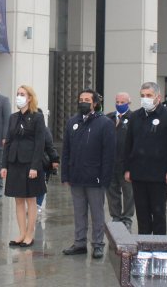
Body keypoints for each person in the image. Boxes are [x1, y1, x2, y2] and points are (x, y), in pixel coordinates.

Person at [61, 89, 115, 259]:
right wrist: (65, 175)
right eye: (81, 99)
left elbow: (109, 153)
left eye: (87, 99)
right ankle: (79, 243)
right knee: (79, 212)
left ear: (95, 103)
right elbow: (66, 150)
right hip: (76, 176)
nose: (83, 102)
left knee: (97, 213)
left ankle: (98, 244)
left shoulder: (105, 123)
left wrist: (105, 178)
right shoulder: (72, 122)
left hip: (95, 178)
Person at [124, 82, 167, 235]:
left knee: (158, 213)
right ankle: (143, 244)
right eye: (142, 96)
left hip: (159, 174)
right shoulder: (136, 116)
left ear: (158, 97)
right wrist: (128, 168)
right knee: (142, 214)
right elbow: (129, 144)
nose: (145, 99)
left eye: (149, 95)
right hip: (138, 173)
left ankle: (158, 246)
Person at [1, 85, 46, 247]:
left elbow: (40, 143)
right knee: (18, 200)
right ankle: (21, 233)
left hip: (30, 164)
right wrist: (4, 165)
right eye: (17, 94)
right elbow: (8, 142)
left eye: (22, 94)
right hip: (14, 163)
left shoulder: (37, 117)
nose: (19, 97)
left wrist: (35, 166)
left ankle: (29, 234)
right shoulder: (13, 117)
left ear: (29, 98)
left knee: (30, 200)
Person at [105, 92, 134, 231]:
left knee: (129, 193)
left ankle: (127, 218)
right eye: (118, 101)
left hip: (126, 163)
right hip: (110, 163)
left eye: (123, 102)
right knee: (112, 192)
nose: (120, 104)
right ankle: (115, 216)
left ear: (129, 103)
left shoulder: (133, 118)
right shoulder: (108, 118)